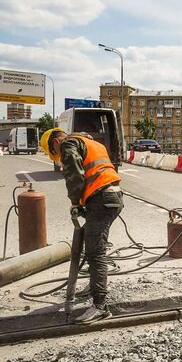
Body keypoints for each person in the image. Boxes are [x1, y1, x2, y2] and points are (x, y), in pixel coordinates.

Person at [40, 128, 123, 324]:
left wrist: (75, 202)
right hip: (112, 196)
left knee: (96, 253)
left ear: (55, 143)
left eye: (56, 154)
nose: (59, 157)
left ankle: (100, 306)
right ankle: (93, 286)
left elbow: (74, 174)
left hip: (102, 199)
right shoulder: (92, 143)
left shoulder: (69, 144)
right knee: (92, 245)